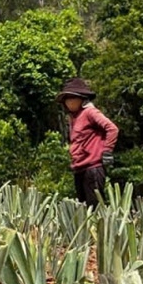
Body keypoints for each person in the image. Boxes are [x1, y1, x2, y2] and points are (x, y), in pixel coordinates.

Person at [58, 77, 119, 207]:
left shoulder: (90, 112)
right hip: (79, 167)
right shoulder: (73, 117)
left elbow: (112, 128)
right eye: (67, 99)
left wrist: (107, 151)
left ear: (81, 98)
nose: (69, 102)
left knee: (96, 206)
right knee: (83, 207)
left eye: (72, 98)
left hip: (93, 167)